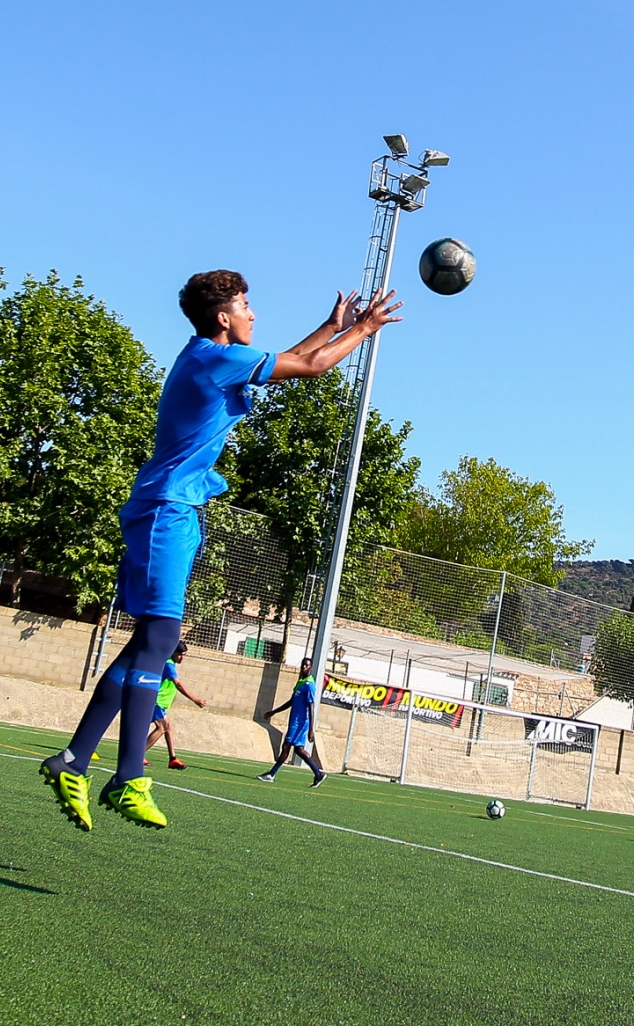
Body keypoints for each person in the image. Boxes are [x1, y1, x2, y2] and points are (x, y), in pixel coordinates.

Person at [41, 270, 399, 830]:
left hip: (172, 508)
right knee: (160, 640)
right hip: (165, 509)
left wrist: (333, 326)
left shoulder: (213, 358)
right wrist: (365, 329)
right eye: (246, 305)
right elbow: (310, 367)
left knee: (147, 643)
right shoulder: (214, 360)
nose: (253, 313)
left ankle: (74, 760)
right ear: (224, 317)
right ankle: (128, 777)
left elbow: (289, 361)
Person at [258, 656, 326, 788]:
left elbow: (311, 706)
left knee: (286, 746)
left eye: (307, 666)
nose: (304, 667)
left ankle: (271, 774)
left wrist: (311, 729)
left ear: (311, 668)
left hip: (299, 723)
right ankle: (318, 774)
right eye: (303, 665)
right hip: (294, 721)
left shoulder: (309, 685)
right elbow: (291, 702)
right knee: (299, 750)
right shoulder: (301, 682)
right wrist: (274, 712)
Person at [145, 642, 207, 770]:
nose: (182, 658)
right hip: (155, 702)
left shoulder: (170, 663)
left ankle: (172, 759)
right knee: (162, 727)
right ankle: (137, 756)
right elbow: (178, 684)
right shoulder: (168, 665)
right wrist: (195, 699)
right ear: (173, 652)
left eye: (184, 655)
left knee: (168, 727)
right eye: (180, 655)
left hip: (159, 703)